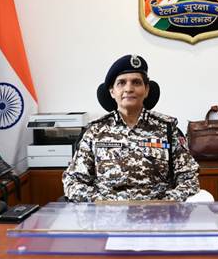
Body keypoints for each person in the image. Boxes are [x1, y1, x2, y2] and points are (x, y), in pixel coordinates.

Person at [62, 54, 200, 201]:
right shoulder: (95, 131)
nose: (129, 88)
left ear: (146, 90)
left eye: (136, 82)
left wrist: (162, 204)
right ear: (112, 91)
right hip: (107, 212)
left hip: (157, 212)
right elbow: (73, 182)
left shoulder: (167, 130)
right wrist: (103, 203)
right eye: (121, 83)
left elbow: (189, 180)